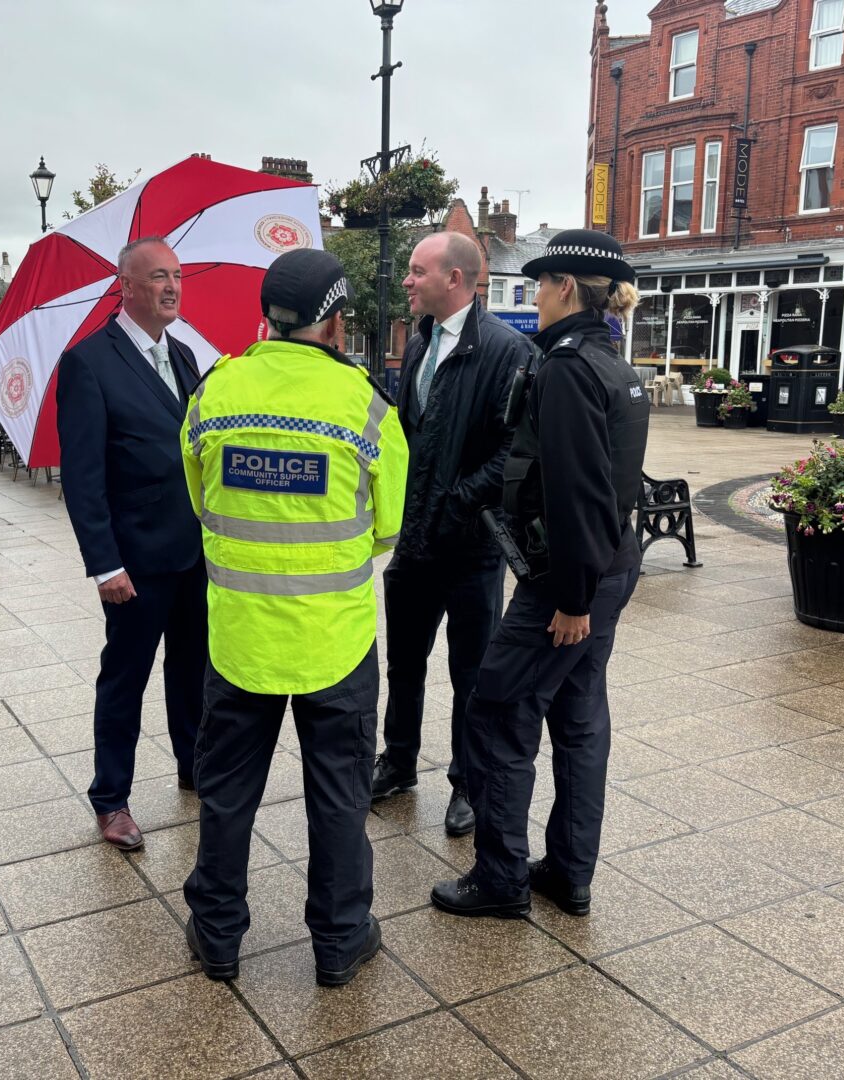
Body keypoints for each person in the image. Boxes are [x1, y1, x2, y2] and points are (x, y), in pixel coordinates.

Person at [181, 248, 408, 987]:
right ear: (337, 322)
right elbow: (386, 527)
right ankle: (340, 941)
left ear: (267, 317)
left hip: (239, 639)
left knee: (225, 796)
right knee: (339, 798)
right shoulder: (365, 405)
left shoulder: (215, 391)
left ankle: (217, 937)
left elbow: (199, 499)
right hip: (332, 644)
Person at [431, 229, 648, 919]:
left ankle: (500, 880)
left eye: (538, 284)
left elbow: (578, 490)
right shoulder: (613, 363)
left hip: (570, 581)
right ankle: (569, 871)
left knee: (497, 712)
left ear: (562, 287)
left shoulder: (566, 370)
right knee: (580, 719)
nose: (533, 296)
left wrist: (570, 597)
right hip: (609, 566)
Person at [370, 232, 537, 837]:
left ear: (457, 280)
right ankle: (398, 761)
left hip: (469, 547)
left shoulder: (507, 350)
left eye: (418, 271)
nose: (407, 281)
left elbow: (515, 450)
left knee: (472, 672)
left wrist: (456, 501)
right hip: (416, 543)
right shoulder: (419, 344)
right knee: (405, 662)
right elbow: (413, 436)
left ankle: (469, 781)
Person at [56, 237, 207, 852]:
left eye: (176, 276)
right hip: (135, 562)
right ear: (126, 286)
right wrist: (104, 565)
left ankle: (194, 766)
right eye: (156, 278)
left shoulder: (189, 356)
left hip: (194, 553)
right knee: (125, 678)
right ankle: (111, 798)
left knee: (193, 672)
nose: (171, 287)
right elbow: (82, 478)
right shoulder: (89, 362)